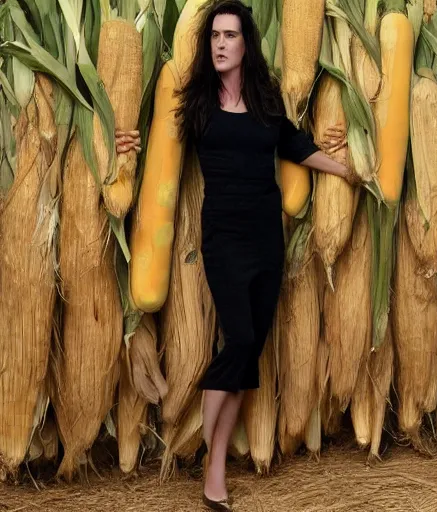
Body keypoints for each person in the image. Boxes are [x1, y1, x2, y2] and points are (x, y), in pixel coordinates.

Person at [116, 1, 363, 509]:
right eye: (214, 37)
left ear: (246, 43)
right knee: (241, 339)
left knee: (249, 352)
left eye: (230, 35)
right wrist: (124, 143)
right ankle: (212, 459)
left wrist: (343, 169)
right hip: (223, 239)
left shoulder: (266, 100)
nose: (221, 44)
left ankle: (216, 463)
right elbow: (159, 151)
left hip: (265, 239)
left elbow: (296, 147)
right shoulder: (197, 102)